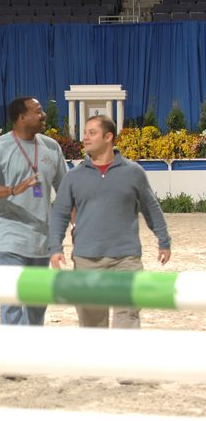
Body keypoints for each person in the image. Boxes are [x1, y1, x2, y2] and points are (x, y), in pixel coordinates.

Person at [49, 115, 171, 328]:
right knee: (92, 325)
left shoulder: (134, 173)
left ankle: (125, 362)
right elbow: (60, 213)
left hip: (126, 259)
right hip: (86, 259)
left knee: (128, 319)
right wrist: (55, 247)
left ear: (108, 137)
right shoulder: (73, 177)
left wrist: (164, 240)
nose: (85, 138)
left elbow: (151, 208)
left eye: (92, 133)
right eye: (85, 133)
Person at [0, 96, 68, 326]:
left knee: (37, 306)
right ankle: (10, 356)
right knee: (12, 298)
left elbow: (66, 192)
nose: (43, 114)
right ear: (21, 117)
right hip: (9, 236)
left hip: (41, 238)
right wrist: (13, 189)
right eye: (38, 110)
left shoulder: (51, 147)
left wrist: (77, 223)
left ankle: (30, 355)